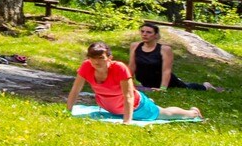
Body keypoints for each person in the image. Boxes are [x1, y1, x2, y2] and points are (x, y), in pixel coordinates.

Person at [67, 40, 201, 123]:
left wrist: (127, 121)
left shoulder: (119, 68)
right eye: (92, 58)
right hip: (111, 107)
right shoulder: (86, 66)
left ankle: (193, 112)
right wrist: (68, 111)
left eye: (101, 58)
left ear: (109, 57)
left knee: (166, 114)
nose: (96, 62)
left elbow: (129, 96)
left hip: (136, 107)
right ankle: (150, 101)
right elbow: (75, 90)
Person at [130, 22, 220, 93]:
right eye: (142, 31)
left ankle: (206, 86)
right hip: (146, 81)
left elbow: (166, 70)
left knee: (187, 87)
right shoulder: (135, 46)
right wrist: (128, 83)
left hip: (165, 81)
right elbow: (132, 66)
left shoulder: (165, 49)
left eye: (149, 32)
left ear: (156, 35)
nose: (144, 34)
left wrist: (163, 88)